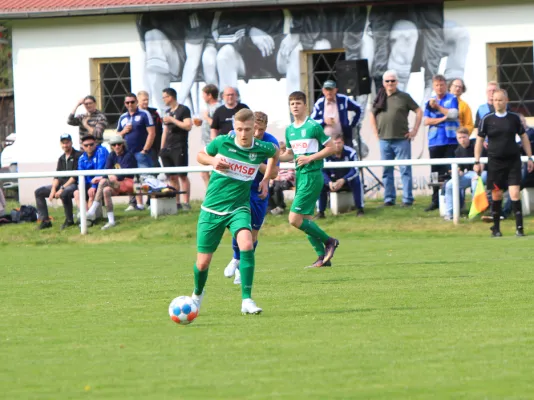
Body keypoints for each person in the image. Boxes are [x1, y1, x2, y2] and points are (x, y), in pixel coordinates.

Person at [192, 108, 279, 315]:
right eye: (239, 129)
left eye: (247, 129)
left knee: (247, 244)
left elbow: (275, 152)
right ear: (234, 128)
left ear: (254, 128)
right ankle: (196, 295)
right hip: (212, 209)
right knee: (203, 263)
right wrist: (213, 161)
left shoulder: (260, 148)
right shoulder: (223, 142)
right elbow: (200, 155)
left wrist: (267, 177)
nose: (243, 133)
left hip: (239, 208)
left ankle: (247, 300)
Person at [279, 91, 339, 268]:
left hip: (312, 175)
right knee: (305, 220)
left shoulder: (313, 126)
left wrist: (310, 157)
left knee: (294, 219)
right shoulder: (290, 130)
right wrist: (272, 156)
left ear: (306, 106)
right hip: (301, 176)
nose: (295, 106)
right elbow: (289, 154)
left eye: (298, 103)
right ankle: (322, 258)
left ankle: (330, 241)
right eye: (292, 104)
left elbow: (332, 148)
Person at [224, 111, 280, 285]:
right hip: (240, 190)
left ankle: (241, 267)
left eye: (261, 130)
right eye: (254, 129)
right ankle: (236, 258)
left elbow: (275, 172)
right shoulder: (235, 136)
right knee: (241, 227)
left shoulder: (270, 143)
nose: (256, 134)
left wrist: (257, 165)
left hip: (258, 191)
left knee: (253, 234)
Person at [475, 89, 534, 237]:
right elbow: (479, 141)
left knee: (514, 193)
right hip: (495, 163)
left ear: (506, 101)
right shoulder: (487, 119)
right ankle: (496, 229)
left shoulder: (514, 119)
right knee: (497, 195)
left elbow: (524, 137)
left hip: (513, 162)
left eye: (500, 100)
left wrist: (529, 157)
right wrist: (477, 161)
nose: (498, 103)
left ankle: (519, 229)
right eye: (495, 100)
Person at [368, 70, 422, 207]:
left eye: (393, 81)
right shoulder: (379, 97)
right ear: (384, 83)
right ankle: (389, 199)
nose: (390, 83)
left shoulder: (404, 97)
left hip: (402, 139)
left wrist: (415, 130)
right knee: (387, 171)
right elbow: (371, 115)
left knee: (405, 170)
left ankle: (407, 199)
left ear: (397, 82)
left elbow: (419, 111)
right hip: (384, 140)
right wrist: (376, 133)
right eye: (387, 81)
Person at [423, 74, 460, 211]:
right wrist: (443, 119)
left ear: (446, 85)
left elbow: (454, 115)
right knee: (435, 172)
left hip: (450, 140)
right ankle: (435, 200)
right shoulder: (429, 101)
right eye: (437, 85)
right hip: (435, 141)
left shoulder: (452, 98)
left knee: (449, 171)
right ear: (434, 86)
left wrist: (438, 108)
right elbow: (426, 121)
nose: (439, 87)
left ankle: (451, 199)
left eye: (442, 85)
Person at [85, 135, 138, 230]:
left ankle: (93, 209)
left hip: (129, 184)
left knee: (104, 181)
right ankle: (111, 221)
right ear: (111, 146)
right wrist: (103, 177)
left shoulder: (128, 155)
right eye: (114, 144)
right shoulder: (112, 155)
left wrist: (106, 177)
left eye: (119, 144)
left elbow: (123, 174)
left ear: (123, 144)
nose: (116, 146)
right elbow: (106, 171)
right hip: (117, 184)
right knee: (106, 190)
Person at [34, 134, 82, 230]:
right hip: (61, 185)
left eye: (67, 142)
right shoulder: (61, 158)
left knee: (64, 193)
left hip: (73, 185)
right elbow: (57, 176)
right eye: (63, 143)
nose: (65, 145)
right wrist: (53, 189)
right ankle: (45, 221)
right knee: (39, 192)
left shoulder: (78, 155)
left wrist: (61, 188)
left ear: (71, 143)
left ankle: (69, 220)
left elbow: (74, 177)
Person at [117, 93, 155, 211]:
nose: (130, 104)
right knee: (131, 180)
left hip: (140, 152)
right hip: (127, 154)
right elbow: (117, 135)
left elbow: (151, 133)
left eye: (132, 102)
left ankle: (151, 202)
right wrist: (123, 131)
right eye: (127, 102)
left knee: (146, 178)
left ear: (136, 102)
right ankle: (136, 204)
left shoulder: (144, 114)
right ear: (124, 104)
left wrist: (145, 149)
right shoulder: (123, 117)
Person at [159, 87, 193, 211]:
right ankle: (176, 202)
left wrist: (173, 119)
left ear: (171, 96)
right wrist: (162, 148)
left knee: (182, 175)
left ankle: (186, 202)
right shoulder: (167, 111)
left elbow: (188, 125)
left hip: (179, 147)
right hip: (168, 147)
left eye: (165, 97)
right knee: (172, 177)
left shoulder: (183, 110)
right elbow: (165, 131)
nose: (163, 99)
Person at [316, 133, 364, 219]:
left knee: (357, 181)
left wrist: (344, 180)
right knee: (319, 183)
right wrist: (329, 182)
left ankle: (360, 209)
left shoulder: (351, 152)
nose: (337, 145)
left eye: (339, 143)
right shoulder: (325, 153)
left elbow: (355, 170)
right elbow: (321, 171)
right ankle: (320, 212)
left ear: (343, 143)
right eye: (335, 143)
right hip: (332, 181)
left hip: (347, 180)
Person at [443, 128, 487, 221]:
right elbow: (461, 168)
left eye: (464, 137)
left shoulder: (476, 144)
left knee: (476, 182)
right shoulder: (457, 151)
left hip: (484, 172)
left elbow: (482, 163)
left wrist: (477, 175)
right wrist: (457, 172)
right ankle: (449, 214)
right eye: (459, 138)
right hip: (469, 174)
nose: (462, 140)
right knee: (449, 185)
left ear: (468, 136)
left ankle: (476, 212)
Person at [310, 80, 362, 146]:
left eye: (331, 90)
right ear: (323, 91)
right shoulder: (319, 103)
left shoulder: (343, 99)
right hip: (325, 140)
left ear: (335, 90)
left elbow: (359, 108)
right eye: (327, 90)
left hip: (343, 138)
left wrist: (352, 124)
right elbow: (312, 121)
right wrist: (324, 121)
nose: (329, 92)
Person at [74, 134, 109, 220]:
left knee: (91, 193)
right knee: (77, 193)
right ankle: (85, 216)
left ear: (95, 144)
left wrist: (93, 186)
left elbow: (100, 170)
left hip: (102, 181)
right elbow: (81, 175)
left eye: (91, 144)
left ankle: (89, 219)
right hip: (88, 183)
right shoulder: (82, 158)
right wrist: (81, 186)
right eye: (86, 145)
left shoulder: (101, 151)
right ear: (83, 146)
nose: (89, 147)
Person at [200, 84, 221, 187]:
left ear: (209, 95)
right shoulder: (209, 107)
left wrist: (206, 118)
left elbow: (217, 124)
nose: (202, 97)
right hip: (206, 143)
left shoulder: (218, 107)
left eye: (204, 94)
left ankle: (212, 196)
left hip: (213, 143)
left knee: (207, 172)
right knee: (204, 172)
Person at [137, 90, 163, 168]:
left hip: (152, 148)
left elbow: (159, 131)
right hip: (137, 148)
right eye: (143, 100)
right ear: (138, 100)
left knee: (154, 170)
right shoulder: (133, 113)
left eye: (147, 100)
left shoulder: (154, 113)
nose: (146, 102)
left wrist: (159, 148)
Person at [269, 141, 295, 215]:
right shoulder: (275, 161)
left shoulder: (289, 161)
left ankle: (281, 206)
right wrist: (272, 179)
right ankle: (273, 207)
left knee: (277, 188)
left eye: (283, 150)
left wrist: (279, 177)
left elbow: (290, 175)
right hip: (277, 180)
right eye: (280, 150)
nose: (281, 151)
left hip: (288, 181)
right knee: (269, 189)